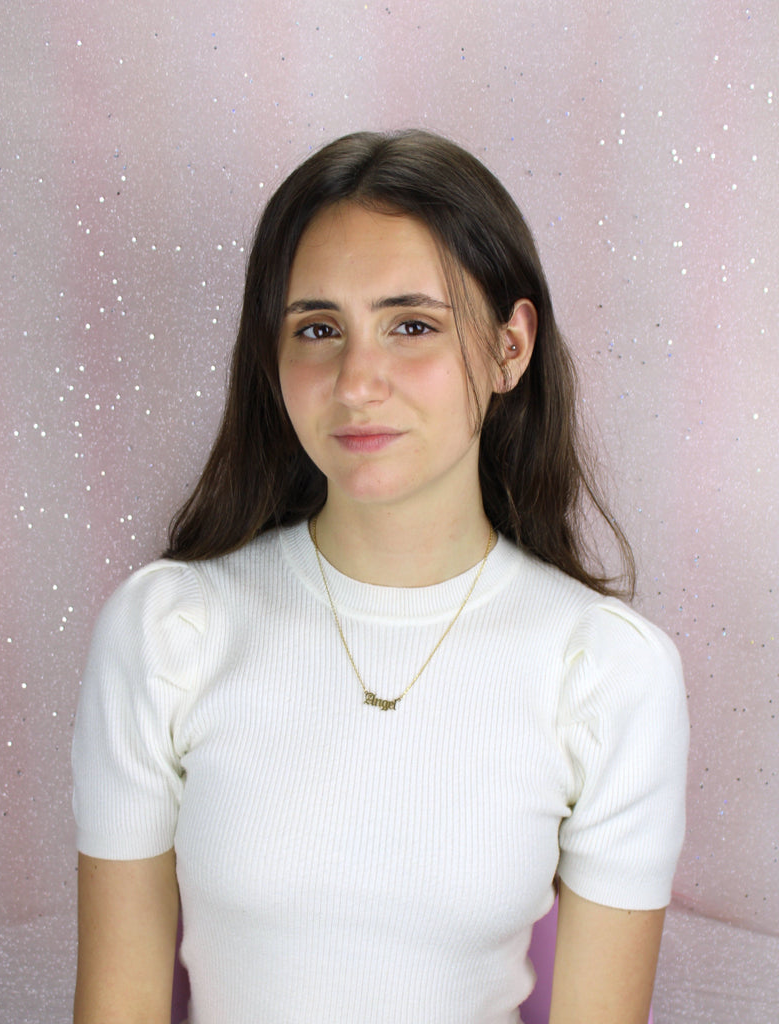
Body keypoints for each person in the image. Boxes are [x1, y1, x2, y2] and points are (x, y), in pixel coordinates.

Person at [72, 129, 689, 1024]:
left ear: (510, 347)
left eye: (412, 326)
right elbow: (119, 1005)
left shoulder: (607, 670)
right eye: (318, 330)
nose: (358, 381)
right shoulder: (167, 629)